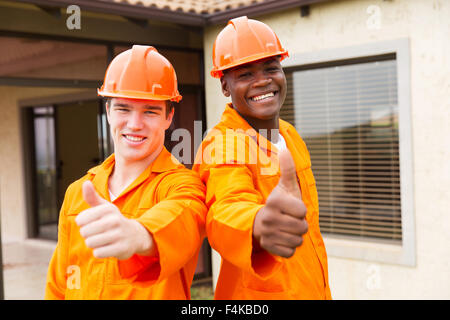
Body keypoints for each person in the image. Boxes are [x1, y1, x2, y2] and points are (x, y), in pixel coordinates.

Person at [45, 45, 207, 299]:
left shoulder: (183, 187)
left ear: (169, 117)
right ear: (108, 112)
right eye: (123, 109)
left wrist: (140, 235)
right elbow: (58, 285)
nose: (134, 124)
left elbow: (183, 218)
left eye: (150, 111)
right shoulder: (78, 191)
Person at [193, 16, 331, 299]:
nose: (263, 81)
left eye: (271, 68)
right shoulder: (221, 144)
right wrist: (257, 222)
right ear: (225, 87)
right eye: (245, 74)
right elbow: (226, 207)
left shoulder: (290, 135)